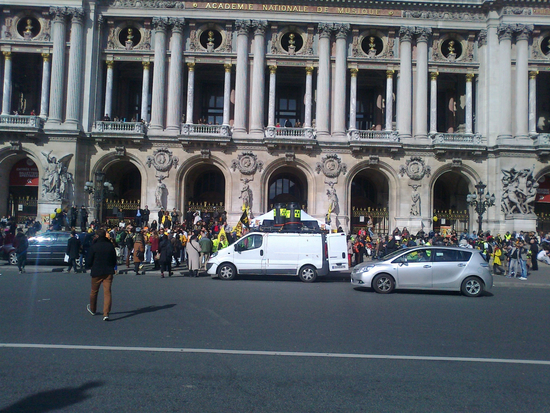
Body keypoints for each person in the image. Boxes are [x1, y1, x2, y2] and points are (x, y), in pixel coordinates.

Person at [86, 229, 117, 321]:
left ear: (97, 236)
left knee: (94, 291)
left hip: (97, 271)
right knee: (107, 292)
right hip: (108, 271)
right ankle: (106, 313)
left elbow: (89, 260)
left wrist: (89, 266)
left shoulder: (94, 246)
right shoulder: (110, 246)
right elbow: (114, 259)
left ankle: (93, 309)